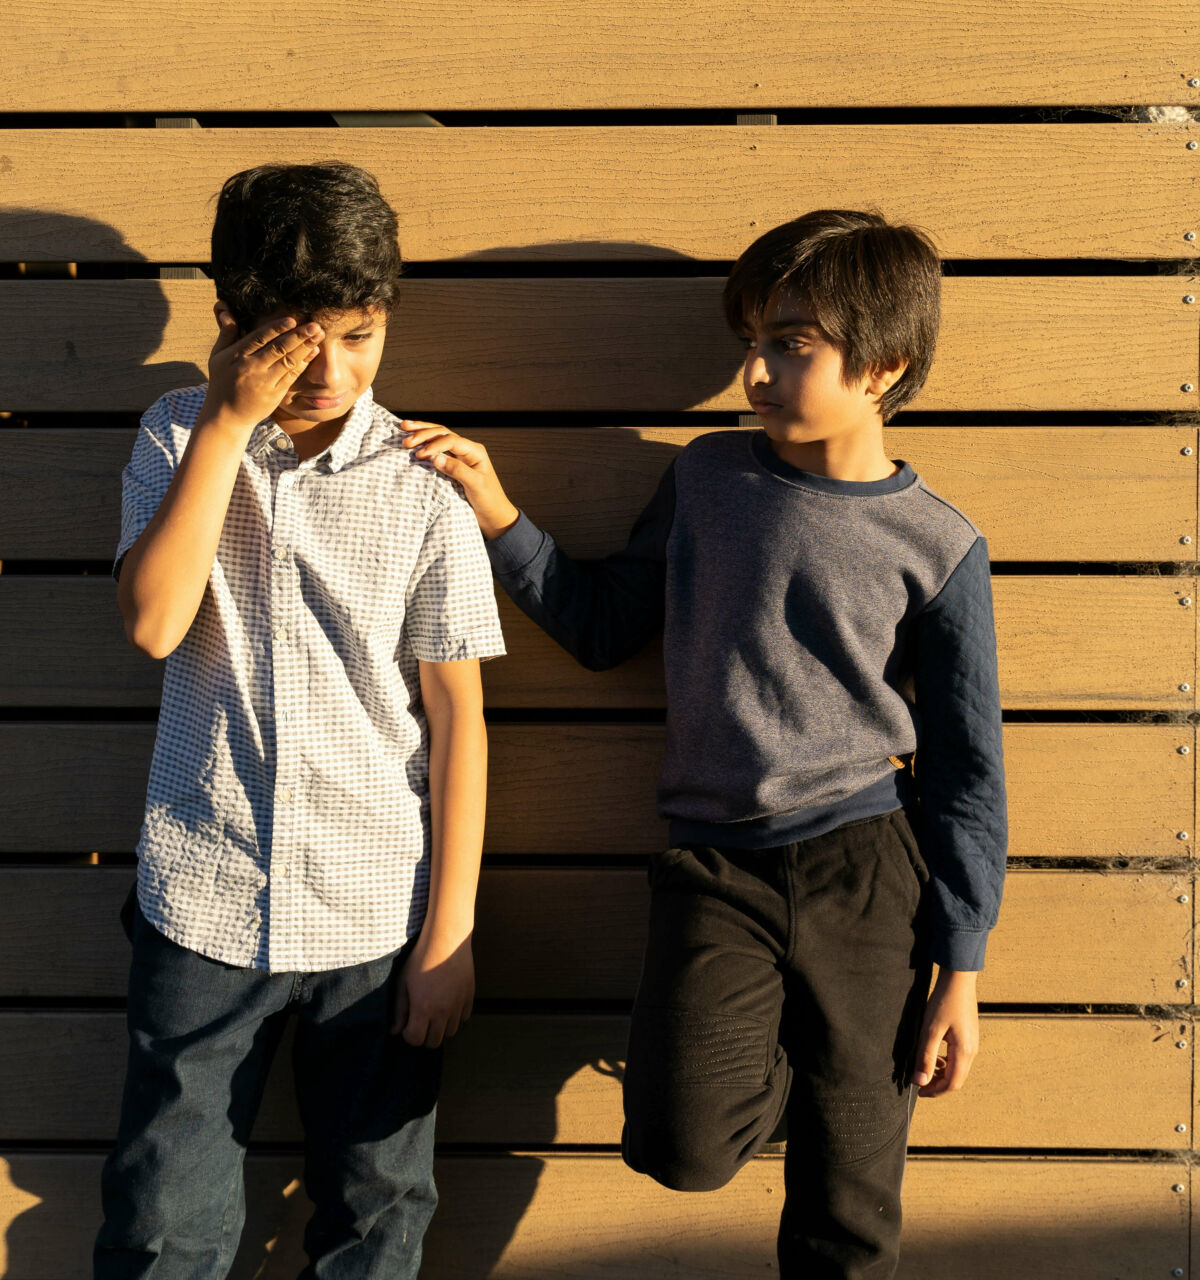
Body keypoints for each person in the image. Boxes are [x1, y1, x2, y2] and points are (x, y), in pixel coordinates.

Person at [401, 209, 1007, 1279]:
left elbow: (965, 769)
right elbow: (601, 627)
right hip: (713, 866)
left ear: (884, 367)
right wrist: (496, 510)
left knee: (848, 1201)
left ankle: (834, 1072)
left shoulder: (940, 546)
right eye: (751, 343)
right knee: (677, 1145)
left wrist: (959, 965)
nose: (754, 370)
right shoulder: (705, 480)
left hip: (866, 870)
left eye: (789, 344)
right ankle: (782, 1049)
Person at [94, 162, 505, 1279]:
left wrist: (449, 933)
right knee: (161, 1219)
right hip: (202, 900)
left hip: (375, 917)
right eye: (295, 336)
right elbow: (154, 624)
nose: (330, 369)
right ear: (229, 321)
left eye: (360, 335)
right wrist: (229, 426)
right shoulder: (176, 438)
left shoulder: (421, 485)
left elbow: (457, 718)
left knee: (378, 1210)